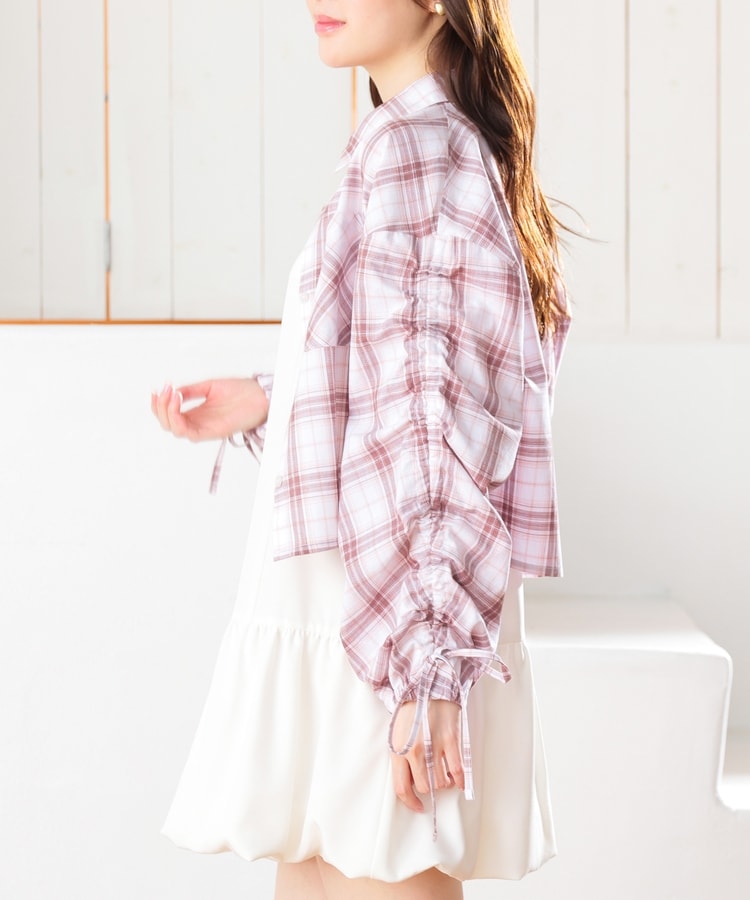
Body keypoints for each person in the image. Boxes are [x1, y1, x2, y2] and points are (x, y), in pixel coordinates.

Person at [151, 2, 571, 898]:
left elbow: (436, 427)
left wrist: (428, 662)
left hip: (383, 628)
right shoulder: (409, 143)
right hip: (362, 617)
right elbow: (404, 379)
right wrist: (272, 400)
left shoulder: (419, 152)